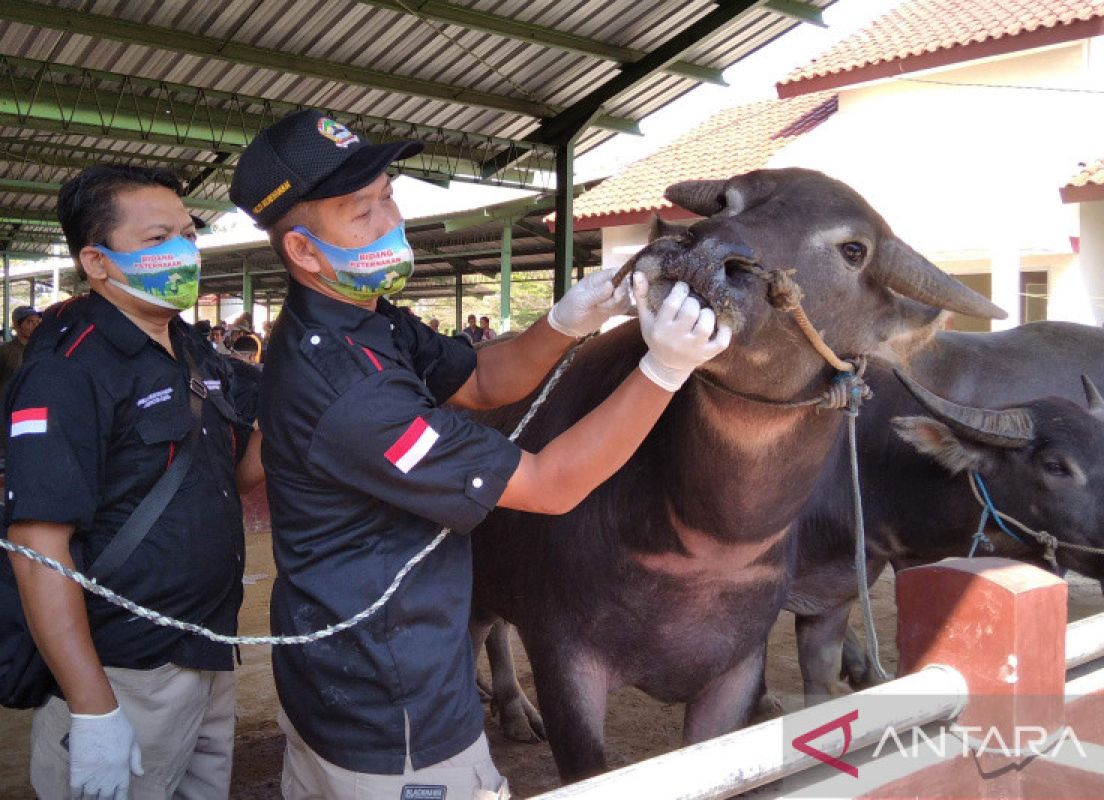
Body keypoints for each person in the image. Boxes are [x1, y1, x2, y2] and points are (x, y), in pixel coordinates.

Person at [229, 108, 730, 800]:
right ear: (306, 253)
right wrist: (663, 373)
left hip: (340, 680)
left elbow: (486, 379)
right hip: (394, 712)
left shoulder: (362, 320)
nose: (388, 221)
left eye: (387, 195)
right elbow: (551, 484)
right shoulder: (349, 391)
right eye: (360, 212)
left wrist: (564, 321)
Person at [3, 164, 264, 799]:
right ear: (96, 260)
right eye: (158, 240)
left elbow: (239, 472)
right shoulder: (68, 370)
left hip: (206, 650)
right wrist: (94, 711)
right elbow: (39, 551)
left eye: (187, 235)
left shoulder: (194, 350)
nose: (183, 251)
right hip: (125, 671)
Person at [0, 306, 41, 401]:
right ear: (17, 325)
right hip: (9, 406)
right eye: (30, 322)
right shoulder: (5, 351)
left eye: (38, 322)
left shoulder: (43, 351)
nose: (35, 326)